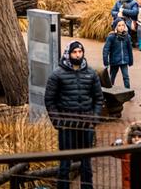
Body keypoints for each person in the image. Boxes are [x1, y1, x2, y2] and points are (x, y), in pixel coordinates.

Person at [44, 41, 104, 189]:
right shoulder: (57, 74)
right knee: (65, 163)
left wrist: (94, 119)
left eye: (80, 52)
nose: (78, 54)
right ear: (68, 54)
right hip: (67, 125)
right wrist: (58, 122)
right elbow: (49, 100)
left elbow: (99, 98)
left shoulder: (91, 73)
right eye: (74, 52)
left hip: (86, 124)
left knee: (86, 162)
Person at [103, 18, 134, 89]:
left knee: (126, 76)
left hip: (124, 61)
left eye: (123, 25)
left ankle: (127, 91)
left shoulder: (127, 37)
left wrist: (130, 60)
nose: (121, 27)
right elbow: (106, 49)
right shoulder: (111, 37)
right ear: (116, 27)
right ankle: (109, 90)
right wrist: (105, 61)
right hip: (114, 61)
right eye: (119, 25)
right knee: (112, 77)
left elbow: (129, 49)